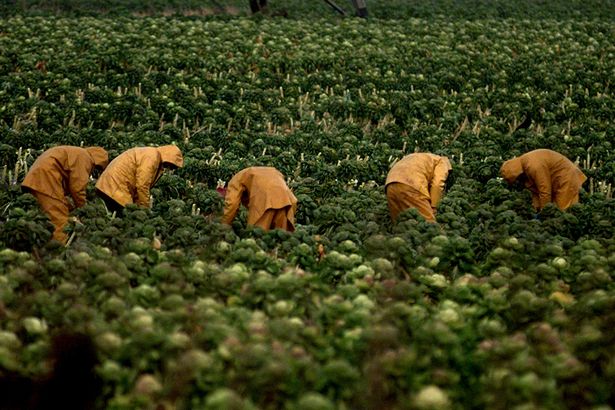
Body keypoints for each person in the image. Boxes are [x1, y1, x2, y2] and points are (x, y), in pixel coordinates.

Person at [21, 146, 109, 243]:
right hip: (46, 178)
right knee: (58, 218)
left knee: (49, 212)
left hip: (37, 176)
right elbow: (78, 188)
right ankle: (60, 245)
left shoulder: (77, 152)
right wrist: (84, 208)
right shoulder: (85, 158)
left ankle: (44, 242)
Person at [95, 145, 183, 212]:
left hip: (111, 184)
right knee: (123, 217)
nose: (169, 168)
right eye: (171, 165)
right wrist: (145, 208)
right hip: (115, 187)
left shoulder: (152, 154)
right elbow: (142, 185)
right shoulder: (152, 157)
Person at [500, 148, 587, 211]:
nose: (517, 181)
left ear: (517, 174)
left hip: (566, 178)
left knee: (563, 211)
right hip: (558, 180)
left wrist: (544, 211)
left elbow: (544, 190)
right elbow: (535, 190)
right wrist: (537, 207)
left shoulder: (533, 166)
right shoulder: (525, 163)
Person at [222, 166, 297, 231]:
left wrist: (224, 224)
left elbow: (232, 204)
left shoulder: (236, 179)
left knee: (257, 237)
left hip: (264, 201)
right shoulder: (273, 172)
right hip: (286, 202)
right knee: (280, 237)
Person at [385, 153, 452, 223]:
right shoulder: (442, 162)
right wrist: (434, 206)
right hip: (412, 184)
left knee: (400, 224)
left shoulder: (422, 157)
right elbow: (437, 184)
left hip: (390, 184)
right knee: (429, 225)